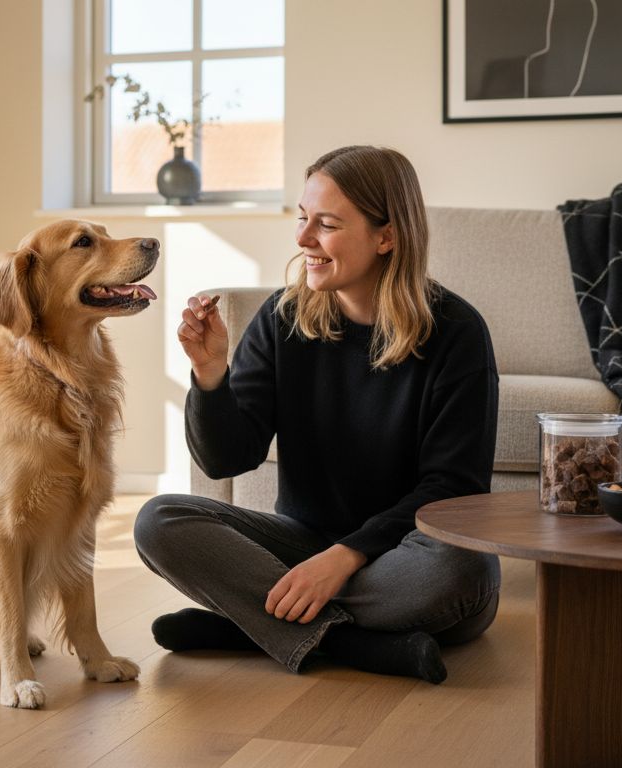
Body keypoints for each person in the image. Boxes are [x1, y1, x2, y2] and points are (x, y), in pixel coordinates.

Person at [133, 145, 500, 684]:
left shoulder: (457, 332)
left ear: (387, 236)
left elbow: (453, 488)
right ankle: (357, 646)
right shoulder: (282, 319)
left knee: (457, 567)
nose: (303, 240)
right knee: (158, 521)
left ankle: (250, 625)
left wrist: (346, 557)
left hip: (410, 553)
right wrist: (211, 376)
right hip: (303, 545)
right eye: (303, 220)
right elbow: (227, 460)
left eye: (325, 225)